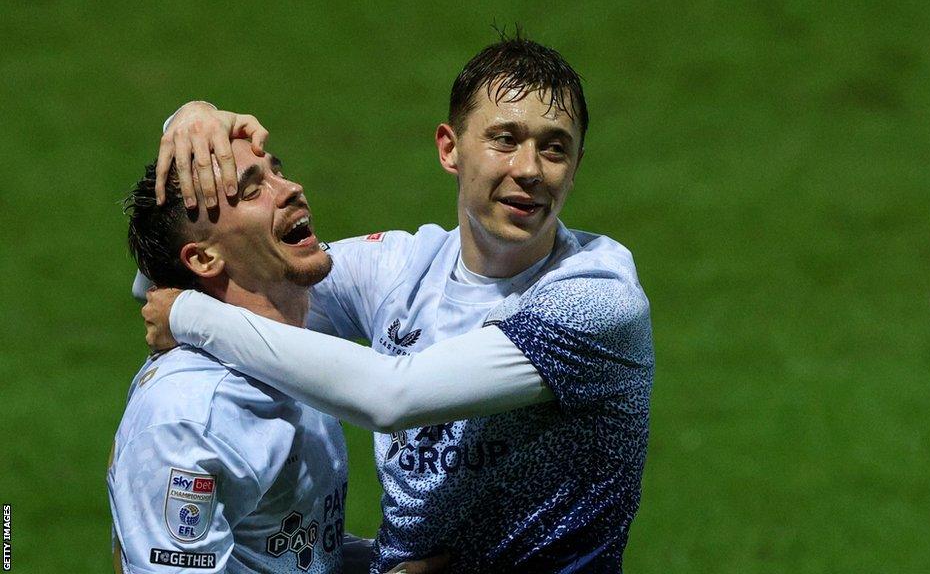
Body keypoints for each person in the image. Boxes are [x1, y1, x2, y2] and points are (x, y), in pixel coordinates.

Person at [145, 35, 654, 573]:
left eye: (555, 148)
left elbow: (391, 396)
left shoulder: (597, 298)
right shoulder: (401, 267)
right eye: (505, 139)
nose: (529, 169)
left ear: (575, 167)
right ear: (449, 148)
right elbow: (212, 278)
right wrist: (188, 128)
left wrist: (190, 317)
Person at [113, 140, 442, 573]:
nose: (290, 189)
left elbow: (285, 550)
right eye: (252, 191)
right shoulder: (191, 419)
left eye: (277, 171)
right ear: (204, 258)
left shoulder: (288, 354)